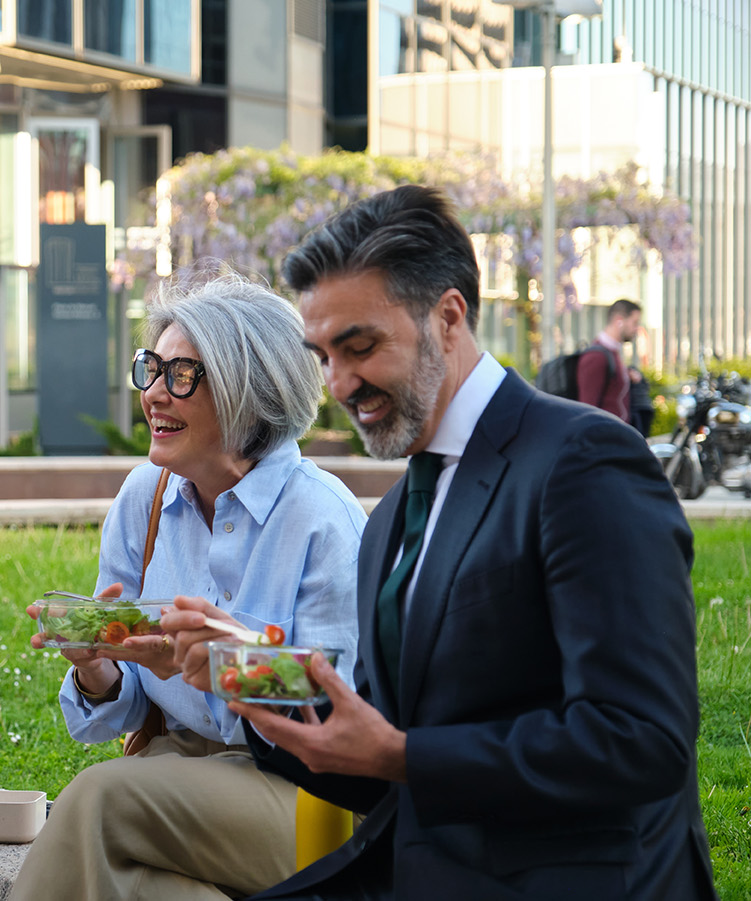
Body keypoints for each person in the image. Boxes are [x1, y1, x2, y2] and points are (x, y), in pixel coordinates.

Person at [166, 186, 718, 900]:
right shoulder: (393, 513)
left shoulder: (582, 462)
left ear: (448, 316)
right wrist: (241, 675)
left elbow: (641, 740)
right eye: (323, 355)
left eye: (359, 346)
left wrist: (403, 755)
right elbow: (378, 740)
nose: (339, 382)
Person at [8, 273, 367, 901]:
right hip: (175, 770)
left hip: (307, 798)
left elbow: (332, 699)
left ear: (247, 392)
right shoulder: (144, 500)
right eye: (151, 369)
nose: (153, 394)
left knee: (98, 797)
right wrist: (97, 667)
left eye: (180, 376)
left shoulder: (321, 518)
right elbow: (119, 712)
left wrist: (216, 664)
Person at [577, 298, 642, 421]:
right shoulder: (596, 357)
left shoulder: (612, 353)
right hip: (604, 437)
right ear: (619, 321)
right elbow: (587, 409)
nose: (636, 329)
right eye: (634, 323)